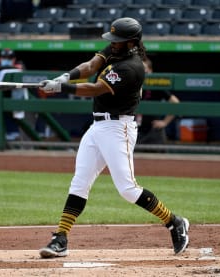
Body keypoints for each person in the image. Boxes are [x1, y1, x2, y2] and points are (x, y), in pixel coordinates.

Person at [38, 17, 190, 258]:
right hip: (97, 127)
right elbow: (90, 66)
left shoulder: (132, 67)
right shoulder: (116, 49)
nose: (113, 44)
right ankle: (61, 238)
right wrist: (65, 77)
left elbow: (96, 87)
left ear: (131, 43)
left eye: (118, 41)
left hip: (119, 129)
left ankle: (174, 222)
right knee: (79, 182)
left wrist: (60, 88)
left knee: (128, 190)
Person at [137, 57, 180, 146]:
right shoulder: (132, 85)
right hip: (135, 130)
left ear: (151, 71)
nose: (142, 73)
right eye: (139, 70)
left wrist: (165, 122)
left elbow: (175, 103)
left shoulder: (156, 86)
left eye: (144, 71)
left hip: (154, 132)